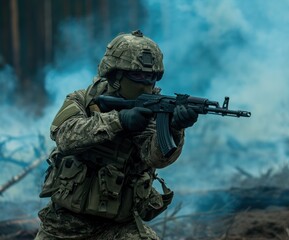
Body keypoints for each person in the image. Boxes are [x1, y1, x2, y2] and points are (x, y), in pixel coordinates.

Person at [35, 30, 198, 240]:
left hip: (119, 225)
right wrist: (119, 121)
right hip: (65, 223)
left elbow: (155, 157)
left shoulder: (153, 111)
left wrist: (175, 128)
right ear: (115, 75)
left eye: (151, 77)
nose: (145, 83)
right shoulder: (83, 100)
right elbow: (65, 137)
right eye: (137, 75)